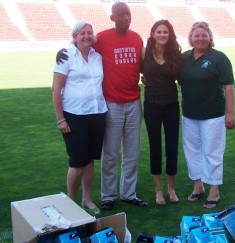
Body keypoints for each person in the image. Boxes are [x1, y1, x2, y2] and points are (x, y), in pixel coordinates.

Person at [56, 2, 147, 210]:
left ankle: (128, 193)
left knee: (132, 151)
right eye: (121, 15)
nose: (126, 18)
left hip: (134, 101)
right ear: (112, 18)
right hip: (111, 104)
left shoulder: (136, 38)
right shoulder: (102, 38)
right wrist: (63, 50)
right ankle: (108, 195)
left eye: (128, 14)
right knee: (110, 153)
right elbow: (80, 45)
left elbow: (142, 65)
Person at [52, 21, 107, 216]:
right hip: (74, 115)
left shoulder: (97, 56)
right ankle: (70, 200)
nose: (86, 36)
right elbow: (56, 89)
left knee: (90, 159)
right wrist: (60, 119)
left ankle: (87, 198)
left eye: (89, 32)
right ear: (74, 36)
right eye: (82, 33)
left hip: (97, 113)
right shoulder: (66, 56)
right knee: (77, 161)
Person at [178, 21, 235, 209]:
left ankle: (214, 189)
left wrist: (230, 113)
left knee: (212, 151)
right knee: (192, 151)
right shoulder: (184, 57)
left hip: (213, 115)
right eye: (197, 35)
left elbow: (228, 87)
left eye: (204, 35)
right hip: (189, 114)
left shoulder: (219, 58)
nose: (200, 38)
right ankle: (198, 185)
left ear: (210, 37)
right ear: (191, 38)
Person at [141, 20, 184, 205]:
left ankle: (171, 189)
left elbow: (184, 78)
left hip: (171, 105)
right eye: (158, 31)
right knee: (155, 148)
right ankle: (158, 190)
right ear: (153, 33)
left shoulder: (176, 54)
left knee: (172, 148)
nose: (162, 35)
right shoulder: (144, 52)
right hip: (151, 104)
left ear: (170, 34)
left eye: (165, 32)